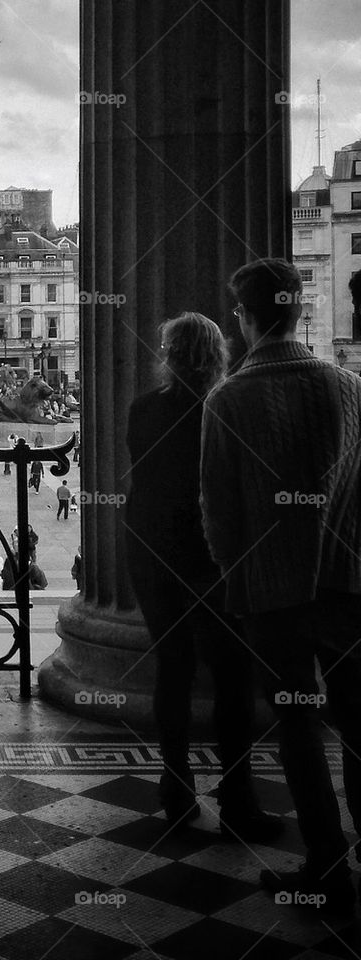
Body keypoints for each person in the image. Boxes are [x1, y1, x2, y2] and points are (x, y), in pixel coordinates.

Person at [201, 259, 361, 914]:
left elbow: (220, 515)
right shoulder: (348, 387)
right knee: (357, 722)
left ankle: (326, 863)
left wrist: (242, 582)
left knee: (296, 728)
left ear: (244, 319)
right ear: (297, 313)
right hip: (349, 588)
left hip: (273, 595)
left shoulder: (229, 399)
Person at [128, 309, 282, 841]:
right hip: (218, 562)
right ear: (219, 357)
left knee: (173, 672)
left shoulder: (145, 410)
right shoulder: (233, 407)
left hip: (158, 560)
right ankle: (238, 795)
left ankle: (175, 787)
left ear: (168, 359)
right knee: (232, 679)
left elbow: (144, 492)